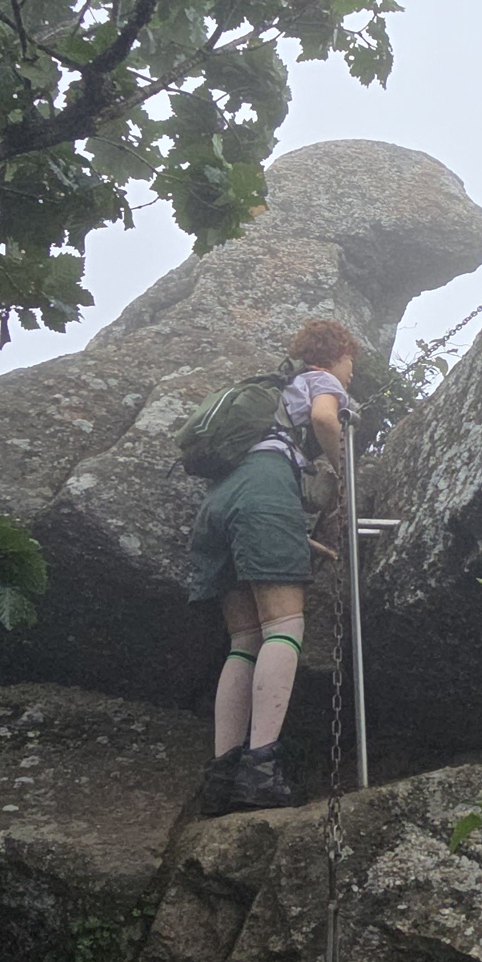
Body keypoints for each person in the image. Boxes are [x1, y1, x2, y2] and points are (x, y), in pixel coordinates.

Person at [187, 319, 358, 816]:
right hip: (265, 490)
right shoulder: (321, 379)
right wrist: (346, 474)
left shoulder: (275, 394)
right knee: (283, 627)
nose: (351, 373)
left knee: (244, 640)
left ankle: (223, 772)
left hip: (218, 503)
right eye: (352, 363)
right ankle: (261, 766)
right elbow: (325, 419)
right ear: (338, 355)